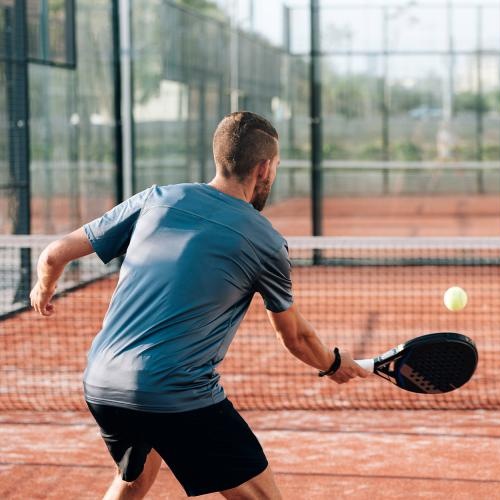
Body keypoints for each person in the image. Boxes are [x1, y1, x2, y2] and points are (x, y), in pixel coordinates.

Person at [29, 111, 369, 499]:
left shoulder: (156, 199)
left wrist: (44, 287)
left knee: (134, 477)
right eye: (275, 167)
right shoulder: (265, 240)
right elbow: (296, 338)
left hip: (104, 383)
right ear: (264, 168)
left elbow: (55, 254)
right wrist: (333, 364)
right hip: (175, 390)